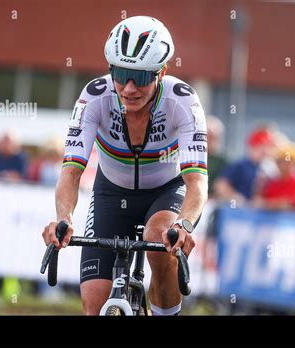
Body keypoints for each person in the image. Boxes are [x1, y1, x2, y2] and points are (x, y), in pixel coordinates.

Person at [42, 16, 208, 316]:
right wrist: (63, 218)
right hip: (110, 193)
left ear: (162, 72)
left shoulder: (182, 101)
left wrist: (183, 225)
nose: (129, 88)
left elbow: (197, 181)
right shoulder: (95, 97)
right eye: (120, 74)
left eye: (141, 77)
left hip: (165, 192)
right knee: (94, 305)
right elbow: (71, 171)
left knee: (159, 235)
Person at [213, 128, 275, 205]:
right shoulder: (241, 165)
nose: (264, 150)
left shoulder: (272, 169)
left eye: (267, 147)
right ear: (251, 147)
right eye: (260, 146)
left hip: (263, 213)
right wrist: (235, 197)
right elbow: (220, 185)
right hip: (240, 212)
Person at [255, 142, 295, 212]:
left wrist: (267, 204)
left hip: (293, 221)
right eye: (279, 161)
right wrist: (260, 187)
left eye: (286, 161)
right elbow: (258, 202)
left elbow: (291, 205)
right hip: (271, 221)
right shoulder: (273, 181)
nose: (281, 164)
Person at [205, 115, 227, 197]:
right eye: (209, 136)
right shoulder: (191, 157)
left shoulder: (222, 161)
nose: (212, 141)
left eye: (216, 137)